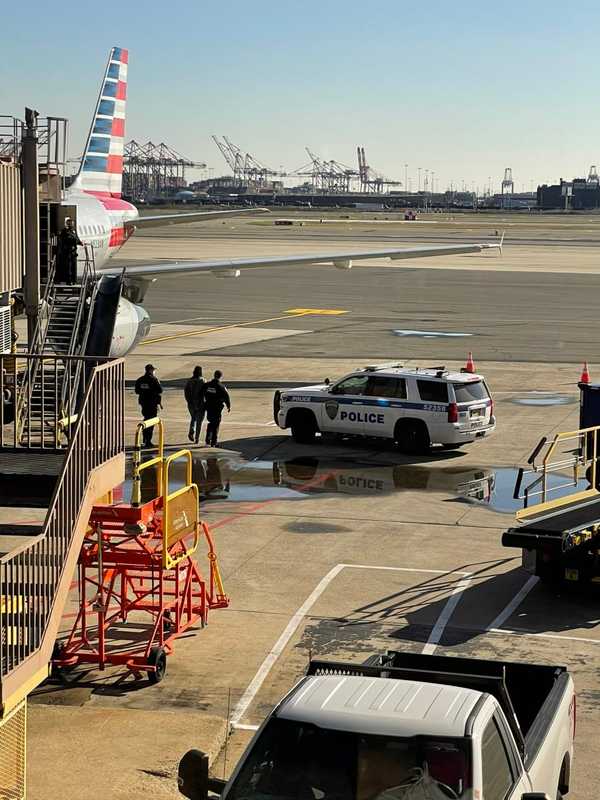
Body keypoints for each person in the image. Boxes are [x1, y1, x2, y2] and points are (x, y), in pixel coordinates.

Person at [134, 364, 163, 447]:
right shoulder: (154, 380)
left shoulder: (140, 380)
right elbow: (160, 390)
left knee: (146, 418)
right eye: (153, 370)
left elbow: (137, 391)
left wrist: (145, 391)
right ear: (150, 370)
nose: (154, 372)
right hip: (152, 403)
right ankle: (148, 440)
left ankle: (145, 438)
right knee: (151, 421)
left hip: (144, 403)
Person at [203, 370, 231, 447]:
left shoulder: (207, 385)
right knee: (216, 424)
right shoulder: (221, 387)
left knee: (211, 422)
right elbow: (226, 397)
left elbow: (202, 392)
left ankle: (208, 440)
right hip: (217, 408)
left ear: (214, 375)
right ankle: (214, 442)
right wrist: (228, 406)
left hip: (209, 407)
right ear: (220, 377)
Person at [56, 218, 83, 285]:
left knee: (73, 266)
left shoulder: (73, 231)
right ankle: (68, 281)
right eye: (70, 223)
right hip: (67, 252)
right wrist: (74, 241)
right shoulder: (64, 232)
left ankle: (73, 280)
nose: (71, 224)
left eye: (72, 223)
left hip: (73, 252)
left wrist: (80, 243)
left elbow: (76, 238)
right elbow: (68, 239)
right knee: (68, 267)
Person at [184, 365, 205, 444]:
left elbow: (186, 392)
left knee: (193, 418)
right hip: (200, 404)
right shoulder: (203, 381)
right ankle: (197, 438)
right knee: (199, 422)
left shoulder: (189, 381)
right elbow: (205, 392)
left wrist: (189, 401)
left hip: (191, 404)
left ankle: (191, 430)